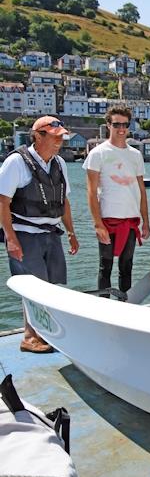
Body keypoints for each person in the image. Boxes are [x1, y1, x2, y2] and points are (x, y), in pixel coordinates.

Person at [0, 116, 79, 353]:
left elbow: (64, 201)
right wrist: (10, 238)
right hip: (25, 233)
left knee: (51, 285)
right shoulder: (16, 162)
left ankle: (45, 331)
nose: (59, 142)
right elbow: (3, 202)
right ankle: (29, 336)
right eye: (54, 138)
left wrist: (71, 232)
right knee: (33, 286)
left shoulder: (59, 164)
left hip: (51, 233)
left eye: (61, 138)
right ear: (38, 136)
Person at [84, 106, 150, 297]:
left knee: (126, 267)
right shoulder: (98, 153)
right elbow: (90, 191)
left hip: (130, 221)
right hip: (107, 220)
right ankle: (103, 309)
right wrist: (98, 224)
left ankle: (125, 307)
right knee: (105, 267)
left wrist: (145, 221)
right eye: (116, 124)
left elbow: (141, 190)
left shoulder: (135, 155)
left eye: (125, 124)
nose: (121, 129)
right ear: (108, 125)